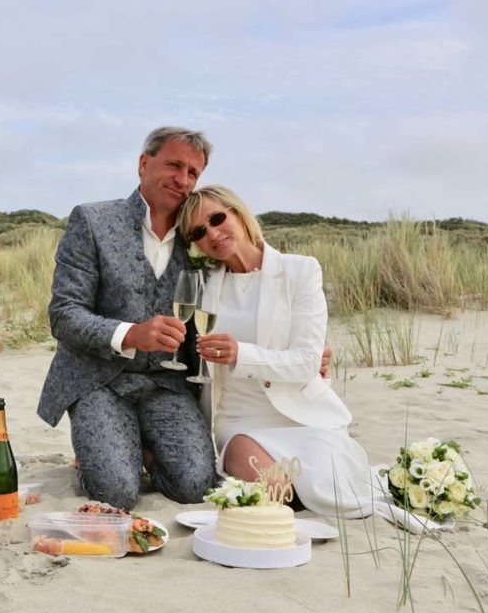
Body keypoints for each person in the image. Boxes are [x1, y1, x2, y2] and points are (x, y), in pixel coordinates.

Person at [37, 126, 218, 511]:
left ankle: (144, 448)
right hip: (97, 378)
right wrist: (131, 334)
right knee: (116, 493)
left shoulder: (198, 234)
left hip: (166, 382)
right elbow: (63, 314)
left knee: (195, 485)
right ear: (143, 163)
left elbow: (246, 271)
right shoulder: (92, 221)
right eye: (174, 165)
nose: (182, 180)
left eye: (193, 173)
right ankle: (98, 455)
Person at [176, 185, 372, 517]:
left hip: (302, 418)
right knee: (277, 493)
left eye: (217, 218)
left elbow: (307, 362)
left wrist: (242, 354)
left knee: (339, 495)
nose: (212, 233)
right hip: (239, 421)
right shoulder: (203, 286)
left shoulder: (300, 271)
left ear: (238, 213)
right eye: (199, 232)